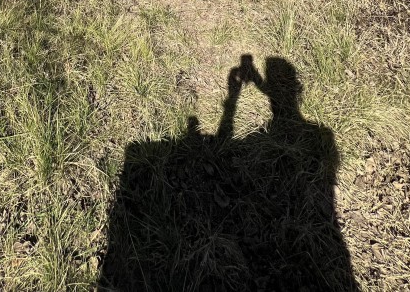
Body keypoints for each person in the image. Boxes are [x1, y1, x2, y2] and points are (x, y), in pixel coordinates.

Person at [100, 56, 358, 291]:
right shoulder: (319, 136)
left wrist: (235, 95)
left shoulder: (316, 137)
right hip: (314, 250)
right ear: (298, 91)